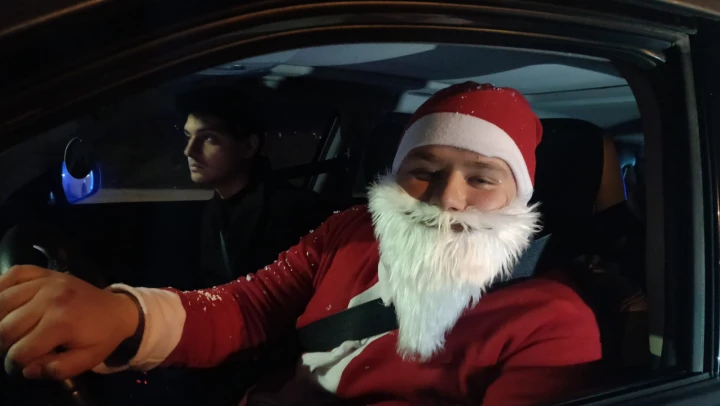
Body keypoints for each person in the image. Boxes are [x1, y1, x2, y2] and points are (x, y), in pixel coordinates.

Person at [0, 82, 602, 405]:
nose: (448, 198)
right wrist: (126, 315)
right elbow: (249, 306)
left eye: (482, 179)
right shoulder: (351, 232)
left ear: (517, 196)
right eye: (425, 170)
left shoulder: (553, 323)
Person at [178, 86, 328, 287]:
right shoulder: (214, 211)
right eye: (188, 136)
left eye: (209, 138)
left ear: (249, 146)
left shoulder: (296, 211)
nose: (189, 151)